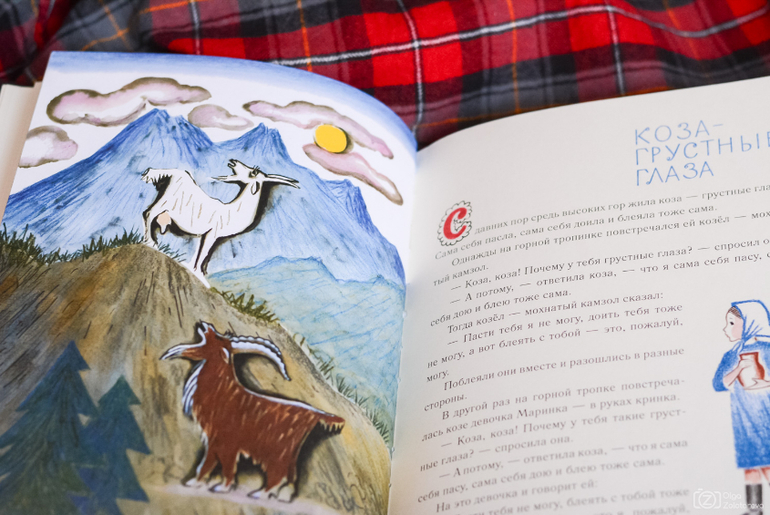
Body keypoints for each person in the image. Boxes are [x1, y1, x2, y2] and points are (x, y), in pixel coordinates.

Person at [714, 301, 770, 515]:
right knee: (750, 465)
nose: (726, 329)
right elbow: (718, 384)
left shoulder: (767, 349)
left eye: (731, 323)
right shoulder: (731, 355)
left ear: (749, 323)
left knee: (767, 463)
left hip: (765, 417)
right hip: (744, 420)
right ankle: (754, 509)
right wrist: (738, 368)